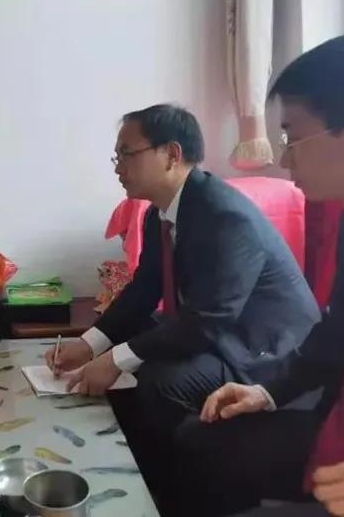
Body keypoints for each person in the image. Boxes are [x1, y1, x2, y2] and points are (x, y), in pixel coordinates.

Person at [184, 33, 344, 517]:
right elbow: (338, 335)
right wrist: (267, 391)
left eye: (293, 137)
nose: (283, 157)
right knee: (199, 440)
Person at [44, 104, 321, 502]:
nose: (118, 167)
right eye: (116, 156)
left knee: (159, 381)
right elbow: (144, 289)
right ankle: (143, 466)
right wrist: (89, 344)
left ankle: (175, 492)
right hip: (222, 333)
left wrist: (116, 359)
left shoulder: (224, 215)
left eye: (127, 154)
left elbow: (209, 319)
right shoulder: (161, 213)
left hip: (264, 348)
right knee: (137, 347)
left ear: (171, 154)